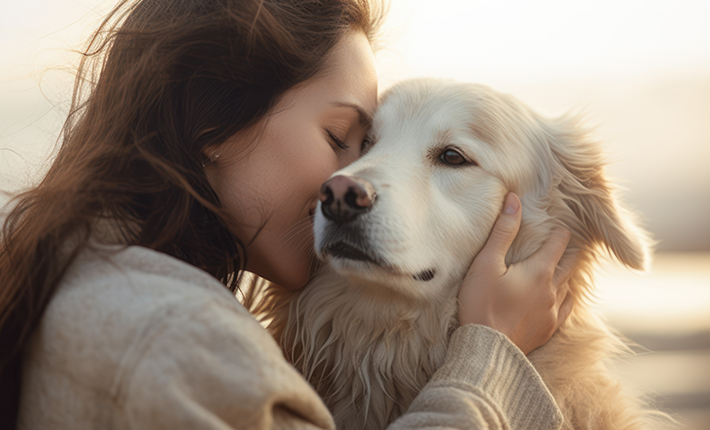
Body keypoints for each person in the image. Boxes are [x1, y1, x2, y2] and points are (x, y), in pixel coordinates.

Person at [0, 0, 576, 428]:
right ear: (215, 126)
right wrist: (490, 356)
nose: (351, 181)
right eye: (341, 136)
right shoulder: (175, 339)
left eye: (363, 144)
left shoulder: (77, 272)